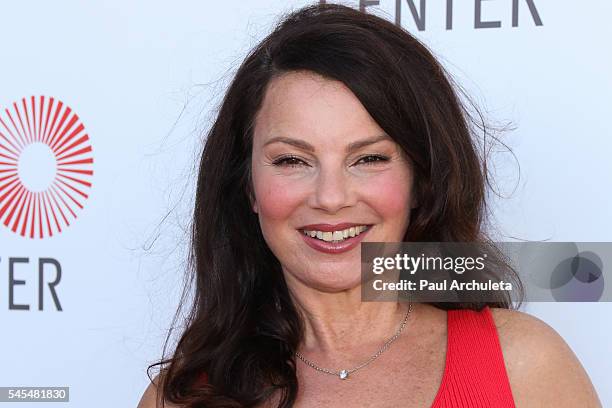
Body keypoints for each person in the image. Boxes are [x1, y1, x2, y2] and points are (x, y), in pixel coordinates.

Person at [138, 3, 601, 407]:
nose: (332, 198)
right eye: (293, 160)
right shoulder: (181, 398)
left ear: (422, 179)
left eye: (369, 158)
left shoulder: (524, 366)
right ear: (247, 187)